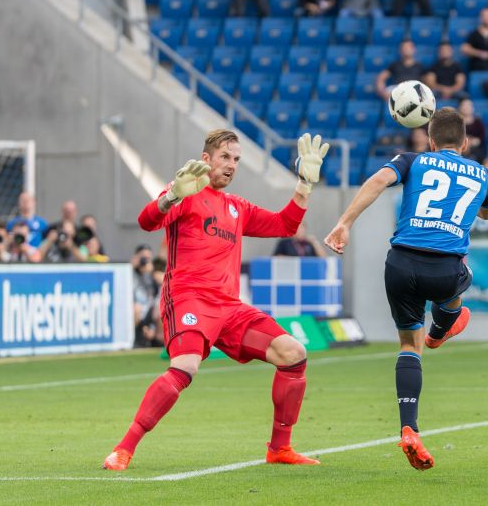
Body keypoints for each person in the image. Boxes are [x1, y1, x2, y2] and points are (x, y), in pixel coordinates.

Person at [102, 130, 330, 471]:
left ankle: (280, 448)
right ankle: (124, 448)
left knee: (293, 353)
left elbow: (285, 225)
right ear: (206, 159)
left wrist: (304, 185)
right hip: (188, 298)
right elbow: (146, 221)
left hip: (229, 308)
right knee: (186, 366)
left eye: (237, 160)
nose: (232, 165)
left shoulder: (237, 207)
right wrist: (170, 199)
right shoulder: (186, 192)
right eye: (225, 157)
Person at [323, 108, 488, 471]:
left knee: (406, 345)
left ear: (430, 141)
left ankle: (409, 428)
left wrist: (344, 223)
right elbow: (486, 213)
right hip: (446, 268)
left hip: (400, 263)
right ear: (465, 143)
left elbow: (375, 182)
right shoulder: (481, 173)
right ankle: (439, 331)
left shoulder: (412, 160)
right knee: (459, 285)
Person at [458, 97, 488, 168]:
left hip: (476, 152)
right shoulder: (456, 124)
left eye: (469, 105)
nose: (467, 108)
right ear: (460, 107)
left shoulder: (479, 123)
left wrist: (473, 141)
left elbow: (481, 139)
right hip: (460, 152)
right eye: (464, 105)